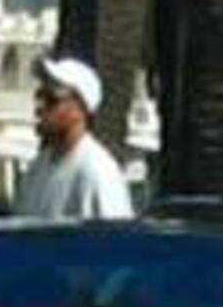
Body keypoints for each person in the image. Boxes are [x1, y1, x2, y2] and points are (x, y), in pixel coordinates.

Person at [12, 55, 134, 223]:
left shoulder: (98, 173)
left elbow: (115, 244)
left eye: (51, 100)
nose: (39, 108)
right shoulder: (37, 169)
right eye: (39, 95)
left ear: (79, 109)